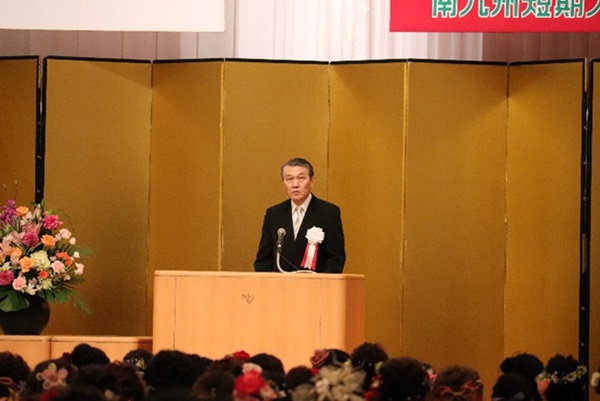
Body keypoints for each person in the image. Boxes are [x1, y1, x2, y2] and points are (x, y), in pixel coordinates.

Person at [254, 158, 346, 273]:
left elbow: (336, 259)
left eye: (301, 178)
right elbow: (264, 259)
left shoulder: (328, 212)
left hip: (315, 282)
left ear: (312, 181)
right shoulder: (274, 214)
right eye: (289, 179)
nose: (295, 185)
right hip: (280, 282)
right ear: (283, 182)